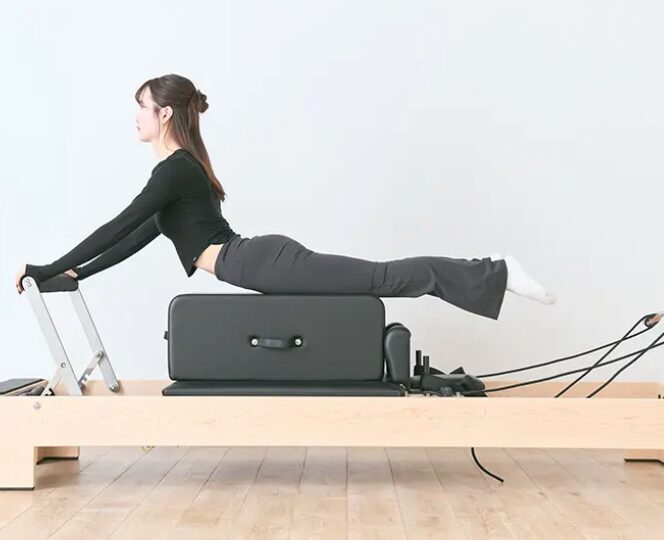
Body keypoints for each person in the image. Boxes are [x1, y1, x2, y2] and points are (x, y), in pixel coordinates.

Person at [15, 73, 556, 321]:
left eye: (141, 106)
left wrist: (46, 268)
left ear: (165, 114)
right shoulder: (176, 176)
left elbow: (115, 224)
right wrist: (77, 274)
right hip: (258, 261)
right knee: (379, 279)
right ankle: (491, 272)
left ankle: (495, 271)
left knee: (381, 278)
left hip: (262, 261)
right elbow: (131, 238)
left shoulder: (175, 171)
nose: (135, 116)